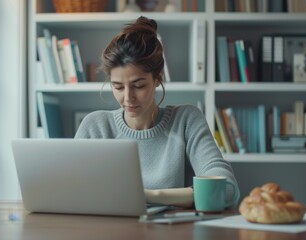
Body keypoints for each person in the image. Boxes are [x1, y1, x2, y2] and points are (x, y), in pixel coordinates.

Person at [75, 16, 239, 208]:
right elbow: (69, 190)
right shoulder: (95, 127)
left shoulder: (186, 121)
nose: (128, 97)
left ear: (158, 77)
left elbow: (226, 188)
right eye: (118, 87)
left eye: (138, 85)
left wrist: (149, 195)